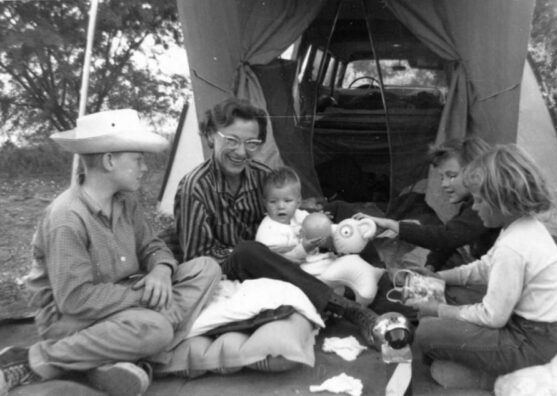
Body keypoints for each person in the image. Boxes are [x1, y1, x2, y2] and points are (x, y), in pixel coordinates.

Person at [0, 109, 221, 396]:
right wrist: (144, 298)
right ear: (108, 160)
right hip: (72, 317)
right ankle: (32, 360)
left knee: (207, 268)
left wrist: (161, 271)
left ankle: (120, 355)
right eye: (138, 160)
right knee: (158, 329)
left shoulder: (126, 201)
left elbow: (153, 246)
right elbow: (75, 299)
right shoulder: (67, 218)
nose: (144, 168)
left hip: (122, 297)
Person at [174, 97, 385, 346]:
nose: (241, 152)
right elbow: (197, 258)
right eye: (231, 141)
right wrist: (267, 253)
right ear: (210, 136)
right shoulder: (194, 188)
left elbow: (290, 208)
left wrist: (314, 223)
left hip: (281, 251)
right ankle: (350, 310)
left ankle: (381, 286)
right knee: (248, 251)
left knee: (340, 209)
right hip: (237, 263)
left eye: (251, 143)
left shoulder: (262, 175)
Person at [406, 144, 557, 390]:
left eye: (478, 200)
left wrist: (438, 310)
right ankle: (466, 366)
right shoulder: (519, 226)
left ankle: (492, 379)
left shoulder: (514, 248)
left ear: (501, 200)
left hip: (530, 341)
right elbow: (484, 268)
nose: (473, 208)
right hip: (533, 330)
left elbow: (492, 316)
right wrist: (438, 277)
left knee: (426, 332)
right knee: (447, 297)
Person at [355, 136, 501, 272]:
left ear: (475, 172)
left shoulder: (485, 205)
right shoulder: (472, 204)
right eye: (441, 177)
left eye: (451, 176)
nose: (444, 184)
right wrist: (430, 267)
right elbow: (449, 242)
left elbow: (447, 237)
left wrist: (391, 224)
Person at [255, 166, 384, 305]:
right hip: (295, 273)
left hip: (316, 261)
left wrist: (323, 223)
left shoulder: (299, 215)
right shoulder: (268, 232)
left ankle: (364, 283)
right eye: (273, 201)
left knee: (345, 257)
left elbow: (315, 228)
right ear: (264, 203)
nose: (280, 206)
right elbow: (278, 263)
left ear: (298, 201)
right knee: (328, 278)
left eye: (287, 201)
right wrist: (303, 248)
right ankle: (342, 299)